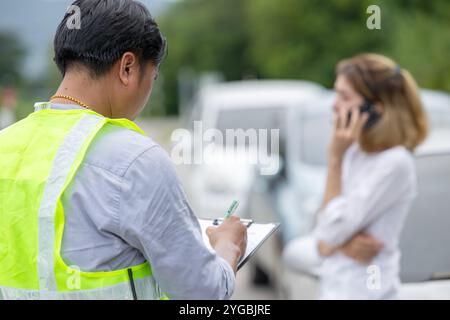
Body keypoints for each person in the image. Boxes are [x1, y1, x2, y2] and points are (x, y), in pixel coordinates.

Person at [0, 0, 247, 300]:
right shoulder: (134, 160)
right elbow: (201, 293)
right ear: (128, 67)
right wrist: (227, 247)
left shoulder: (6, 145)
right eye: (153, 78)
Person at [283, 53, 428, 299]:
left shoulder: (394, 163)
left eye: (344, 96)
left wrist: (334, 160)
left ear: (375, 109)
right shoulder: (355, 154)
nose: (334, 104)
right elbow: (322, 235)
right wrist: (340, 242)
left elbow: (328, 233)